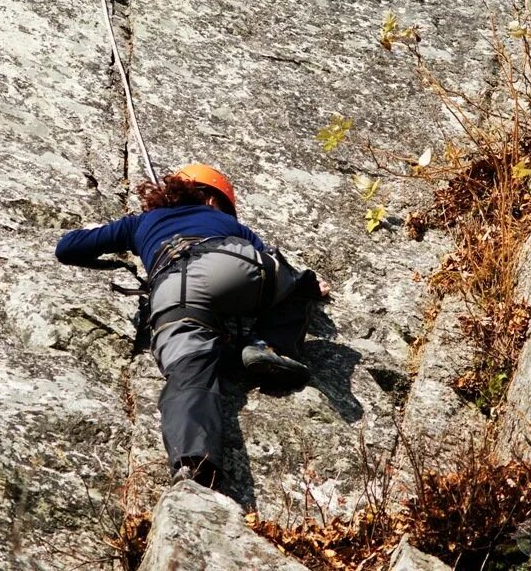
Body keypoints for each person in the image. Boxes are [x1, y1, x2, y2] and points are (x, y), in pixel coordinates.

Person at [54, 164, 327, 489]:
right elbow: (264, 254)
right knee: (298, 281)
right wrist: (307, 286)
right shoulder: (225, 221)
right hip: (228, 264)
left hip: (170, 287)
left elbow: (67, 248)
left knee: (186, 372)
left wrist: (114, 240)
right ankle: (268, 346)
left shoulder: (140, 222)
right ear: (212, 199)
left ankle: (195, 463)